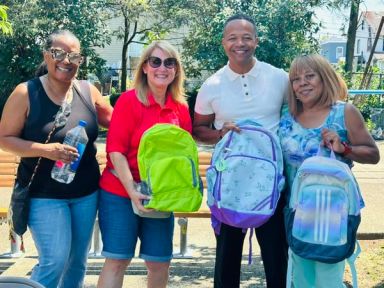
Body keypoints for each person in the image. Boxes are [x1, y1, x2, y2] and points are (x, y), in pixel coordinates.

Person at [0, 30, 113, 288]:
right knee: (55, 260)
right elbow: (4, 138)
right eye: (58, 53)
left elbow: (119, 123)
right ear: (46, 55)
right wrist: (46, 149)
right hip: (44, 194)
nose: (66, 60)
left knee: (77, 263)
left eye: (74, 56)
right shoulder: (26, 93)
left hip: (86, 193)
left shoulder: (88, 91)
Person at [193, 14, 289, 288]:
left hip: (271, 181)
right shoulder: (211, 84)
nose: (240, 43)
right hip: (229, 182)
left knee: (275, 255)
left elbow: (299, 115)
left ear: (256, 41)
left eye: (247, 37)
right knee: (226, 257)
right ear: (223, 43)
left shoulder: (279, 78)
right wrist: (220, 133)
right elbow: (198, 128)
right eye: (233, 38)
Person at [279, 54, 380, 287]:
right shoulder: (286, 114)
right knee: (301, 277)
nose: (302, 82)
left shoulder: (344, 112)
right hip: (296, 209)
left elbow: (373, 154)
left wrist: (344, 148)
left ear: (324, 79)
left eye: (310, 76)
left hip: (333, 211)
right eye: (296, 79)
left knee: (328, 278)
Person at [97, 40, 192, 288]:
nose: (163, 68)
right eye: (156, 61)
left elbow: (183, 156)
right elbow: (115, 150)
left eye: (169, 62)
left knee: (160, 262)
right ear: (145, 68)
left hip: (160, 194)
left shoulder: (180, 108)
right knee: (117, 260)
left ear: (176, 70)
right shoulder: (129, 101)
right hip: (119, 191)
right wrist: (133, 191)